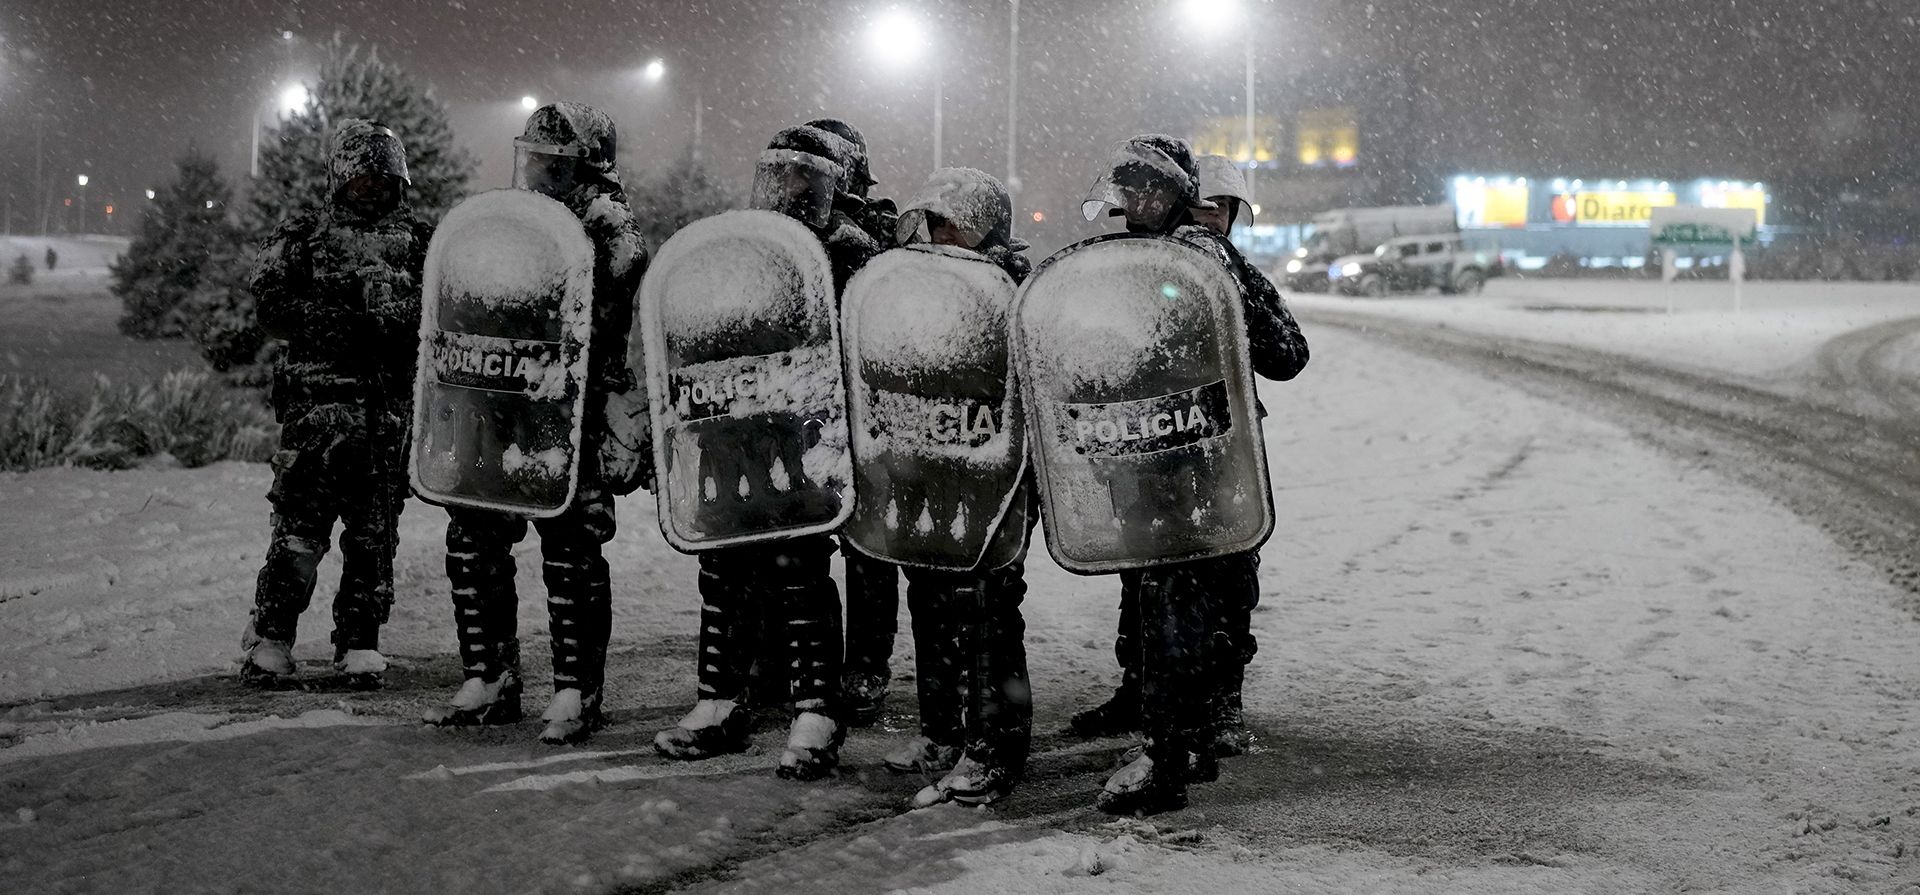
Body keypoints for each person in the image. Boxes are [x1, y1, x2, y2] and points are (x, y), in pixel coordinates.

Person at [1072, 135, 1308, 814]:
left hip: (1208, 458)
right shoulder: (1116, 261)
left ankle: (1183, 740)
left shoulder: (1214, 263)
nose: (1137, 203)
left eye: (1218, 211)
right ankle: (1171, 726)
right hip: (1141, 453)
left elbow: (1288, 353)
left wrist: (1224, 307)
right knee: (1153, 592)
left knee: (1198, 597)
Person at [653, 124, 881, 779]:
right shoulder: (736, 242)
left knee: (799, 569)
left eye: (802, 179)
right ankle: (720, 699)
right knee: (722, 568)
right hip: (736, 430)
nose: (788, 190)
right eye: (779, 176)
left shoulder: (847, 250)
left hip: (805, 436)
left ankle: (816, 707)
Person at [420, 102, 650, 744]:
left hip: (568, 413)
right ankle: (489, 676)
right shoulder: (513, 222)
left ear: (589, 165)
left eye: (557, 163)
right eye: (538, 161)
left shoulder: (609, 227)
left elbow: (598, 307)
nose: (543, 174)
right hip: (502, 406)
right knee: (474, 538)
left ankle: (577, 691)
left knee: (571, 552)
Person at [862, 167, 1036, 806]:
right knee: (930, 599)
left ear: (990, 226)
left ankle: (995, 747)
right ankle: (942, 730)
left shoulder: (1012, 286)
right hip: (926, 468)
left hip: (991, 475)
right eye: (933, 222)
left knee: (987, 609)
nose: (941, 234)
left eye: (954, 222)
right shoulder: (911, 285)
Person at [238, 120, 432, 689]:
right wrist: (337, 320)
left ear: (400, 181)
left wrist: (398, 323)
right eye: (361, 179)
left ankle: (359, 643)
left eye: (383, 178)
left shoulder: (423, 243)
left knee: (373, 541)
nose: (372, 189)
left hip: (384, 420)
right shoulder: (303, 235)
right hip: (315, 418)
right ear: (339, 180)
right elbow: (270, 304)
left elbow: (448, 309)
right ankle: (270, 639)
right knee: (299, 535)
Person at [800, 117, 904, 726]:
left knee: (868, 550)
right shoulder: (785, 234)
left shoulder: (869, 239)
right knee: (792, 545)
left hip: (863, 413)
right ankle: (796, 661)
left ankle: (866, 663)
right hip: (798, 409)